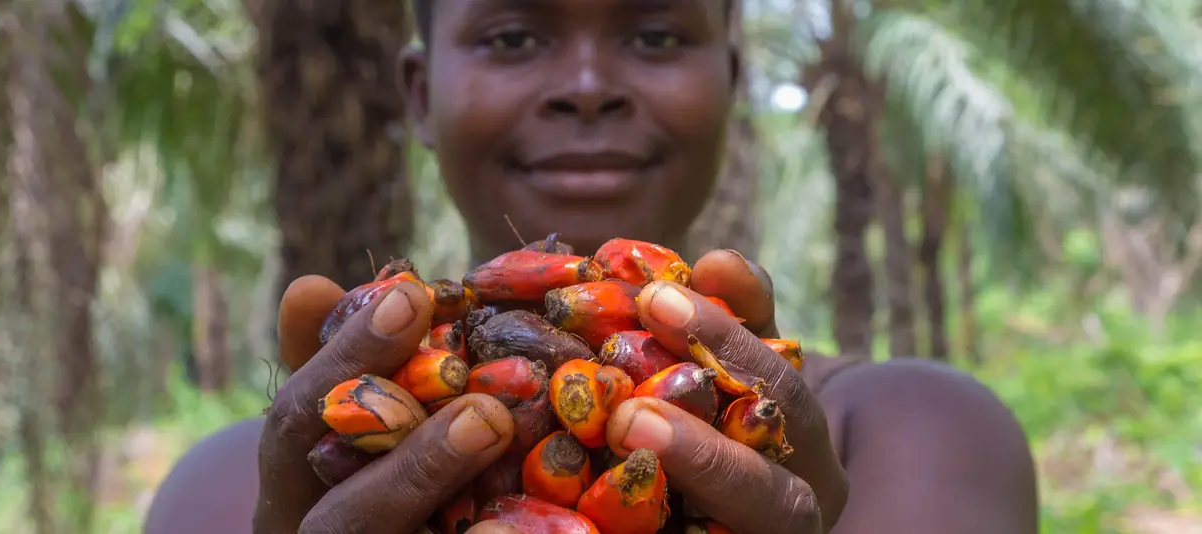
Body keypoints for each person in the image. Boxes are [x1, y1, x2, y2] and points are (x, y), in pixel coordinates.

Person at [144, 0, 1039, 532]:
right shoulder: (227, 497)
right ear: (420, 95)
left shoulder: (915, 433)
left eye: (653, 35)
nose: (586, 84)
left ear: (732, 80)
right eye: (512, 35)